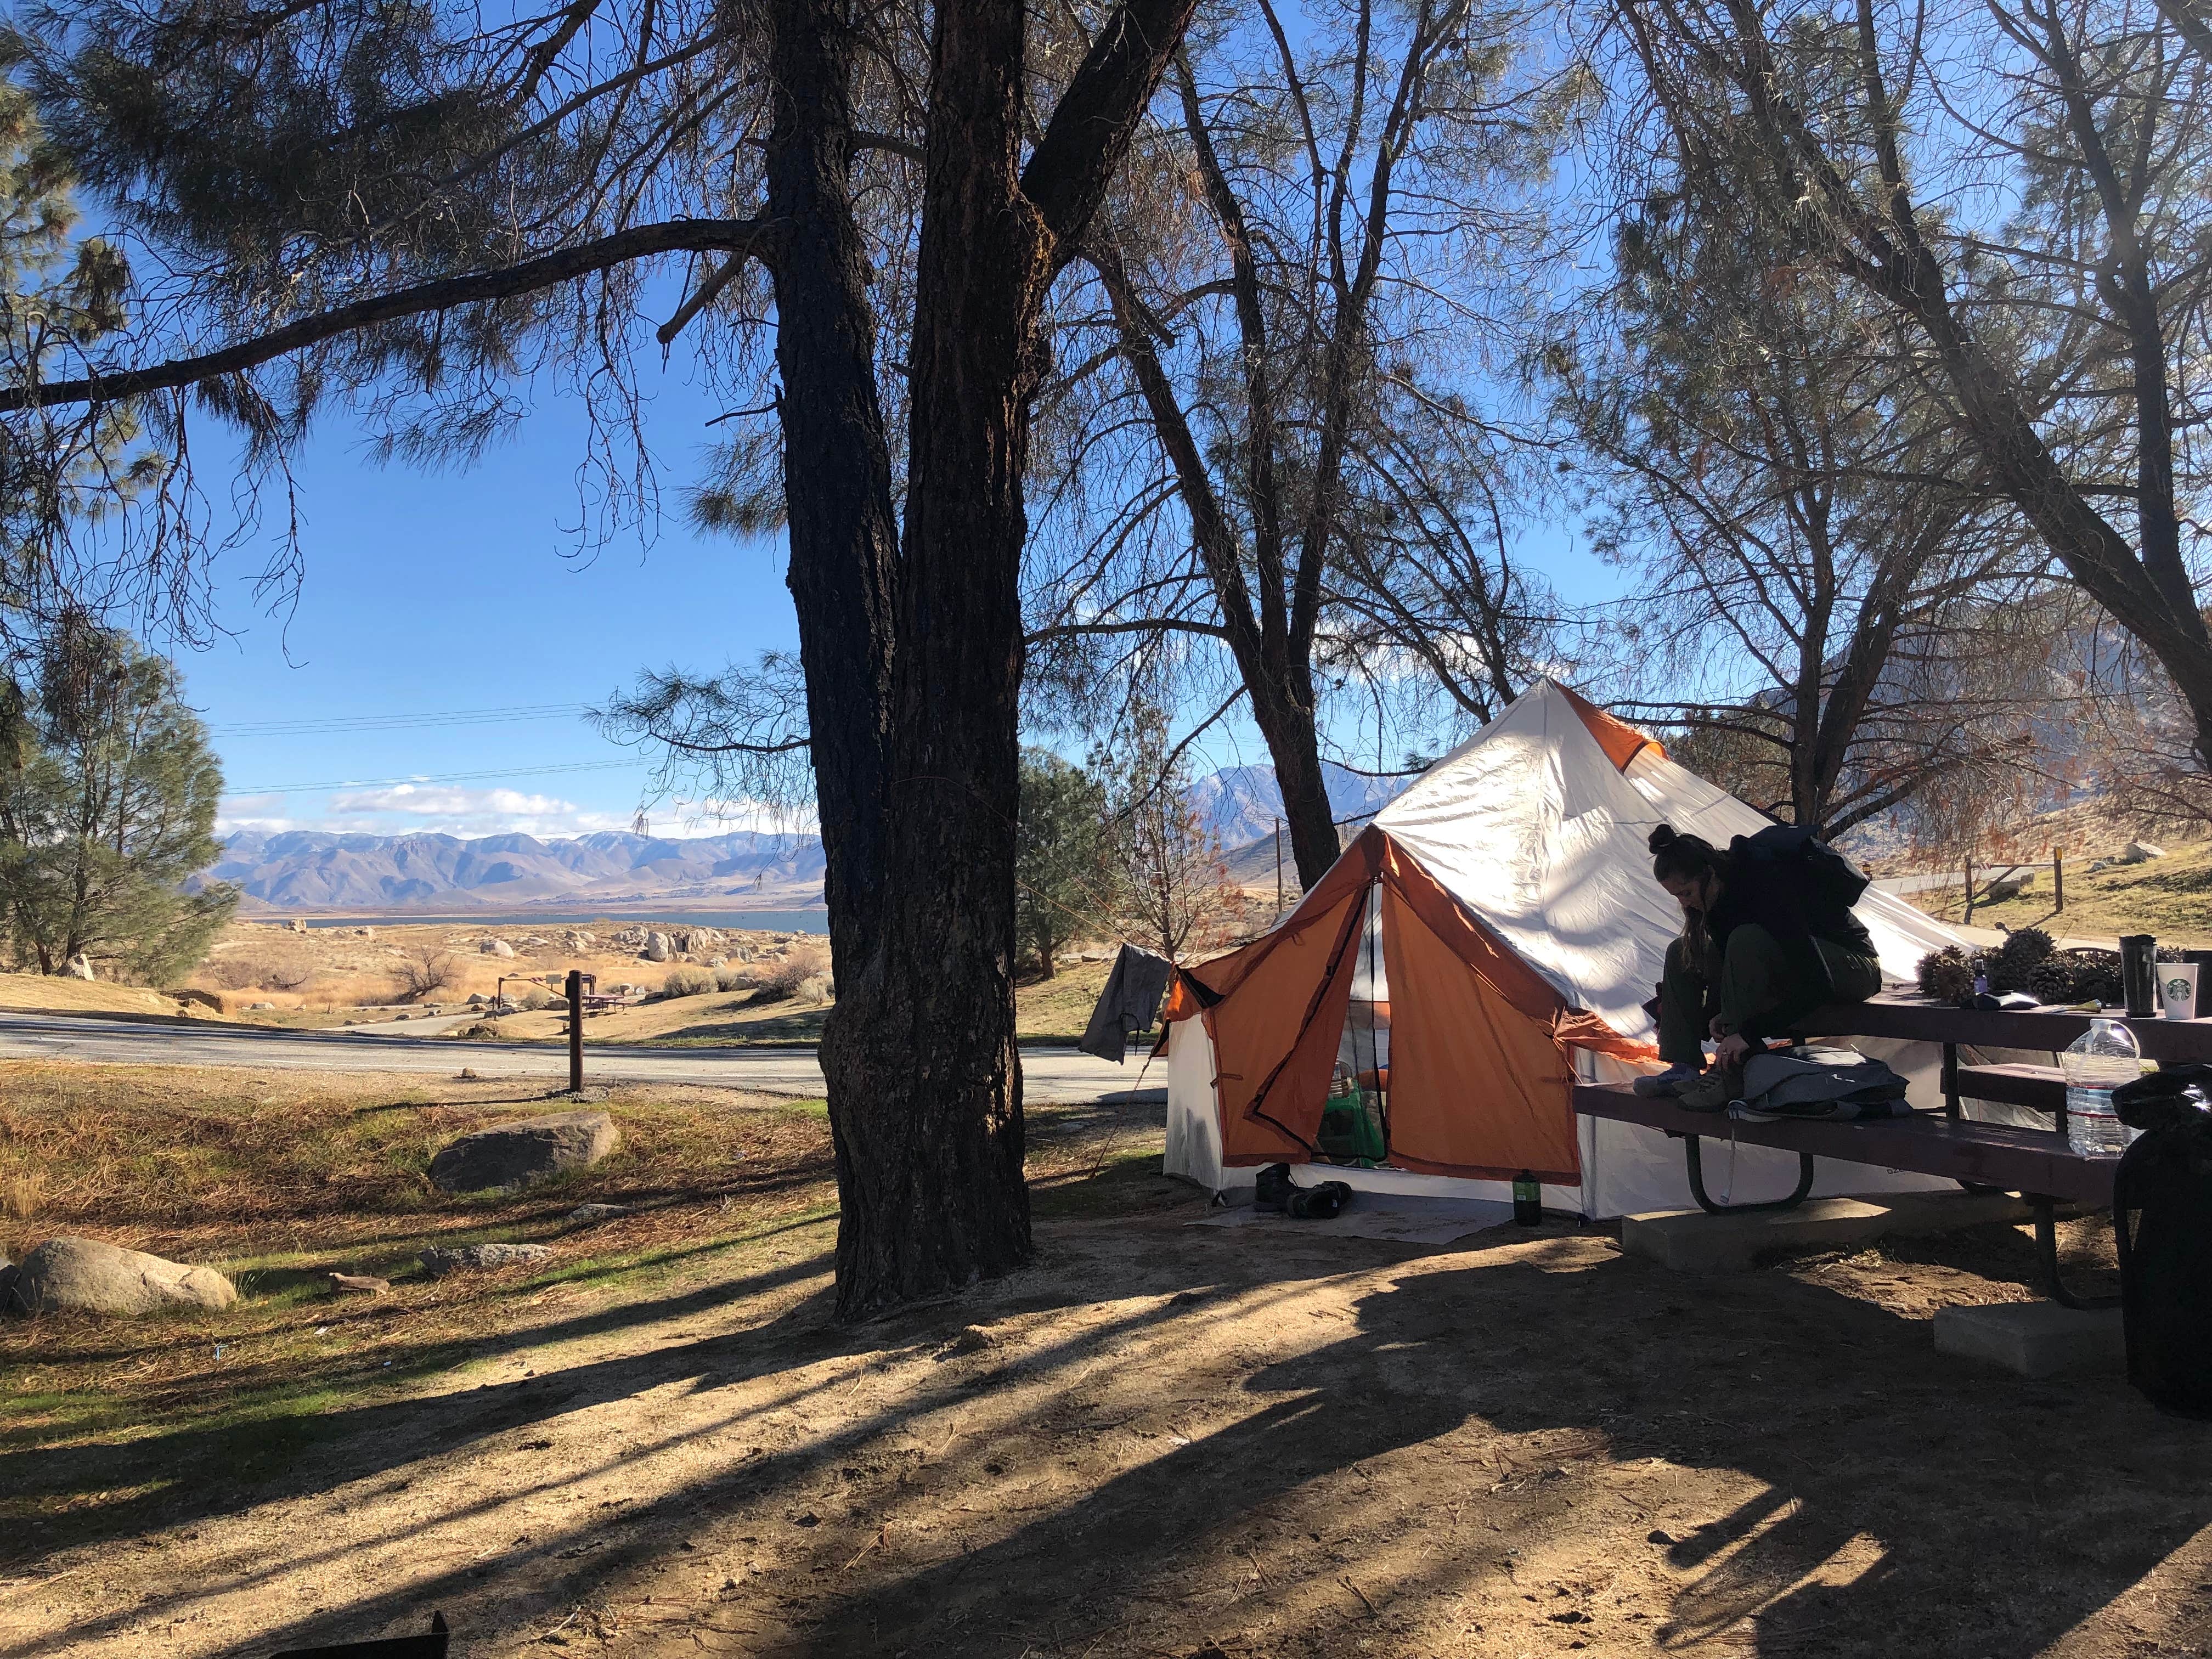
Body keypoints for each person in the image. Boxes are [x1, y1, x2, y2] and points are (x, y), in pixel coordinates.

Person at [1637, 822, 1883, 1107]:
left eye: (1687, 893)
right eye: (1677, 897)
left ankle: (1732, 1069)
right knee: (1682, 950)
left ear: (1710, 874)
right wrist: (1716, 1012)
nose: (1685, 903)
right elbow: (1729, 963)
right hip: (1788, 969)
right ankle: (1683, 1067)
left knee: (1747, 937)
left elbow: (1818, 983)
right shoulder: (1717, 904)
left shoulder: (1766, 888)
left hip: (1853, 966)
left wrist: (1747, 1033)